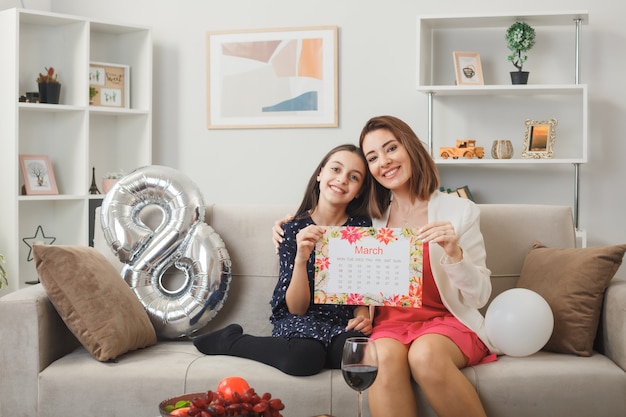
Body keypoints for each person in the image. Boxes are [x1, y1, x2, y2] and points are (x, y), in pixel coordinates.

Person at [273, 116, 498, 417]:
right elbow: (327, 215)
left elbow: (480, 296)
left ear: (410, 147)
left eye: (391, 148)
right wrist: (286, 225)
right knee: (379, 359)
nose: (385, 161)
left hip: (448, 323)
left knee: (425, 355)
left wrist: (454, 253)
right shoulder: (369, 218)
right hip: (388, 327)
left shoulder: (460, 212)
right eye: (373, 157)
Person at [193, 144, 374, 377]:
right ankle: (231, 341)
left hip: (341, 323)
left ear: (359, 190)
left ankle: (319, 351)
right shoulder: (292, 229)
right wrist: (301, 258)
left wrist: (362, 317)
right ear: (320, 173)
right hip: (299, 319)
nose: (342, 180)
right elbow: (296, 309)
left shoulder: (362, 228)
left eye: (354, 177)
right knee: (303, 357)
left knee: (355, 353)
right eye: (336, 169)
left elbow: (362, 291)